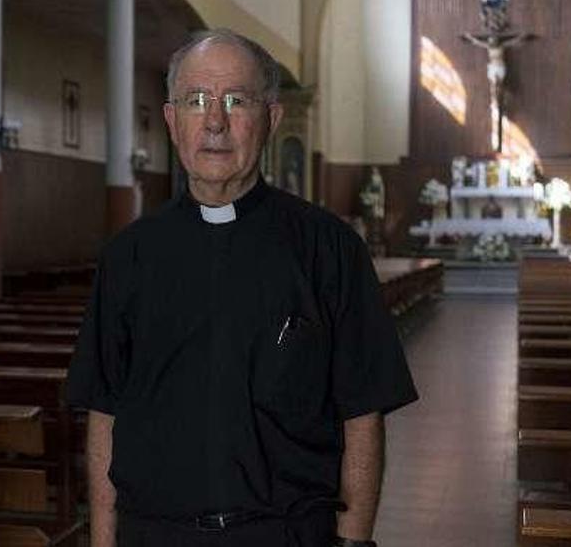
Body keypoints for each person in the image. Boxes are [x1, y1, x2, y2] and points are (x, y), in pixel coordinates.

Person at [66, 29, 417, 547]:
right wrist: (102, 540)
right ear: (171, 121)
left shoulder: (330, 249)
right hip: (154, 534)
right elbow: (104, 411)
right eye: (196, 100)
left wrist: (356, 539)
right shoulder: (129, 255)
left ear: (272, 119)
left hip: (286, 535)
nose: (214, 121)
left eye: (236, 100)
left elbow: (362, 412)